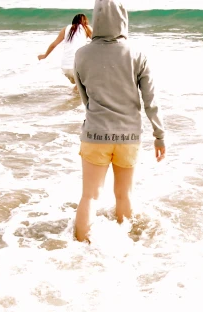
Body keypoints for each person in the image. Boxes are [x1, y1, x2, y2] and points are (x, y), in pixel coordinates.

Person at [72, 0, 166, 243]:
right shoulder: (137, 54)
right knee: (124, 196)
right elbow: (150, 100)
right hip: (129, 137)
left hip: (95, 135)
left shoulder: (81, 54)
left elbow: (85, 98)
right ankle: (127, 251)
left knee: (90, 197)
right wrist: (159, 136)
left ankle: (79, 252)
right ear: (123, 18)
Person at [37, 14, 92, 88]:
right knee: (85, 85)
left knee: (78, 85)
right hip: (77, 67)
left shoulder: (66, 29)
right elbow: (97, 41)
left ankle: (72, 98)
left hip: (65, 67)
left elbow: (54, 44)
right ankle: (73, 98)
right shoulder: (86, 28)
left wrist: (44, 55)